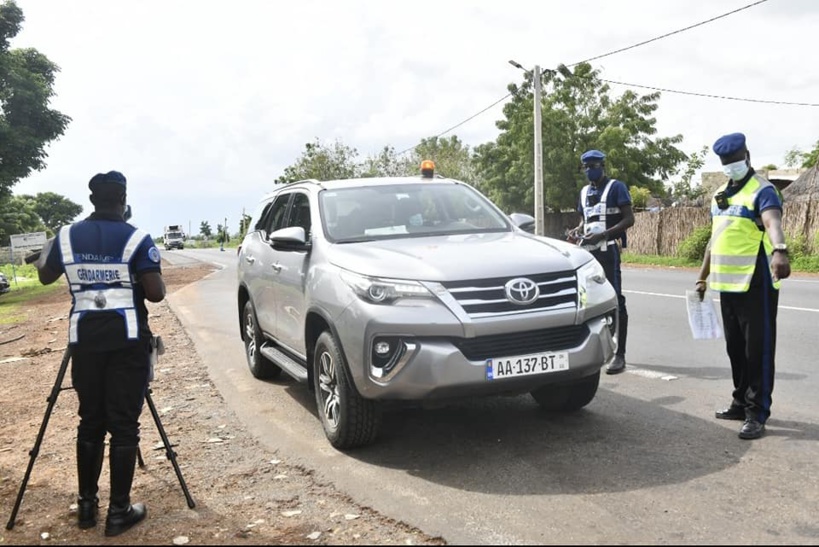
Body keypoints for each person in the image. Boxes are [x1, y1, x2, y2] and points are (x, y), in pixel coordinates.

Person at [34, 170, 166, 536]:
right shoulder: (137, 237)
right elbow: (155, 293)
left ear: (92, 200)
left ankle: (87, 507)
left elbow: (45, 275)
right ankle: (119, 512)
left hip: (85, 342)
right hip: (127, 344)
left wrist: (52, 246)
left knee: (90, 421)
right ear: (124, 200)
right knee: (124, 426)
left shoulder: (66, 236)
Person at [695, 133, 790, 440]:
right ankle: (740, 402)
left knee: (757, 350)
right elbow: (715, 238)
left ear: (747, 156)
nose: (731, 167)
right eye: (726, 163)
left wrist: (780, 250)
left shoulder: (762, 190)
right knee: (735, 348)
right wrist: (702, 276)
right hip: (727, 285)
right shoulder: (720, 193)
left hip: (756, 280)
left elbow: (772, 221)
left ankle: (757, 411)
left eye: (735, 162)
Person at [570, 149, 635, 374]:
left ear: (602, 166)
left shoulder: (616, 187)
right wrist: (577, 231)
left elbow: (629, 219)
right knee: (590, 300)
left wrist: (605, 234)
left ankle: (620, 355)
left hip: (608, 250)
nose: (590, 170)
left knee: (616, 299)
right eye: (586, 167)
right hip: (588, 252)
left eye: (594, 166)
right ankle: (596, 347)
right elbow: (584, 219)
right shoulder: (584, 191)